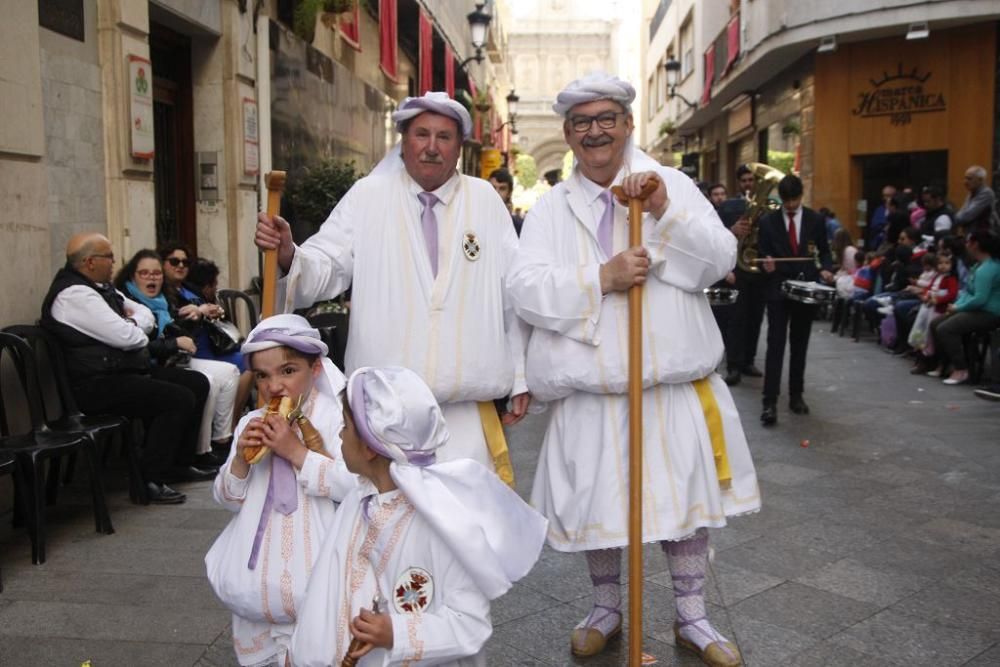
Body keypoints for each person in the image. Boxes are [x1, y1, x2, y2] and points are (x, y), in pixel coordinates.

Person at [507, 72, 759, 665]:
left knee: (682, 504)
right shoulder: (549, 210)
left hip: (670, 385)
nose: (595, 132)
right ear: (568, 135)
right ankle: (606, 609)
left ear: (626, 124)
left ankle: (692, 615)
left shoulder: (672, 184)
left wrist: (666, 211)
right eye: (582, 123)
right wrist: (601, 278)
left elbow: (719, 260)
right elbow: (524, 289)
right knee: (600, 506)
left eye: (606, 119)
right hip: (592, 389)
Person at [254, 92, 529, 483]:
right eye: (422, 134)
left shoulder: (484, 199)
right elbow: (325, 266)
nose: (432, 147)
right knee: (389, 527)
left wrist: (520, 375)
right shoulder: (369, 196)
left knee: (464, 529)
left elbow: (513, 294)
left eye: (444, 137)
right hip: (384, 411)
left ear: (458, 147)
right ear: (403, 140)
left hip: (465, 411)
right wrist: (287, 253)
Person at [289, 366, 546, 666]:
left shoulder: (441, 524)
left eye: (345, 427)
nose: (339, 435)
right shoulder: (360, 498)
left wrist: (397, 633)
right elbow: (325, 582)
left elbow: (471, 624)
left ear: (371, 449)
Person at [205, 314, 355, 667]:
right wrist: (241, 461)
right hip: (257, 575)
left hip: (322, 568)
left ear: (315, 368)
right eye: (263, 375)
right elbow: (228, 499)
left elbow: (357, 486)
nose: (275, 386)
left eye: (288, 371)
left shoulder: (339, 420)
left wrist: (297, 453)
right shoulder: (249, 421)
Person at [40, 233, 212, 503]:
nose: (114, 262)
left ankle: (178, 464)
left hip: (119, 371)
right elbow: (129, 337)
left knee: (196, 383)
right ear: (89, 261)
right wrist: (133, 325)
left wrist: (134, 322)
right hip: (93, 385)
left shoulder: (102, 288)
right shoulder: (75, 295)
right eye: (108, 256)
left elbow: (145, 316)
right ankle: (149, 480)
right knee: (176, 398)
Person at [115, 250, 240, 467]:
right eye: (144, 273)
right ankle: (186, 458)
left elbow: (176, 332)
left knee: (229, 372)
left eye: (156, 273)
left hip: (172, 358)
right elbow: (140, 342)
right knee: (205, 381)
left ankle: (215, 444)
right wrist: (175, 342)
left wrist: (192, 318)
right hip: (147, 365)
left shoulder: (164, 299)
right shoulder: (127, 302)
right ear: (132, 276)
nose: (152, 277)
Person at [758, 174, 834, 426]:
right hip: (778, 288)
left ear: (801, 196)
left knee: (800, 344)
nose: (790, 206)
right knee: (775, 344)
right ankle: (769, 401)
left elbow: (825, 251)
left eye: (794, 200)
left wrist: (826, 268)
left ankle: (796, 395)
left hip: (806, 287)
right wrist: (767, 264)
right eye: (786, 201)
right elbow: (761, 252)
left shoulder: (815, 219)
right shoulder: (768, 222)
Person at [160, 242, 254, 428]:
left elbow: (210, 307)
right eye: (174, 261)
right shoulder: (163, 292)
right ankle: (232, 423)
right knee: (246, 363)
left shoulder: (189, 288)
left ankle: (235, 419)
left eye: (185, 262)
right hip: (193, 348)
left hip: (213, 343)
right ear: (162, 263)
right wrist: (199, 313)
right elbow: (173, 325)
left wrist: (214, 310)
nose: (180, 266)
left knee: (253, 357)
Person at [926, 230, 1000, 385]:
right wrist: (957, 305)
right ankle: (944, 365)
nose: (966, 245)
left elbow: (980, 299)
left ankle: (961, 369)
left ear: (975, 245)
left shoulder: (989, 269)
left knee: (945, 329)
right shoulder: (979, 266)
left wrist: (958, 309)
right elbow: (968, 292)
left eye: (968, 242)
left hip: (989, 313)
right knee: (935, 323)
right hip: (975, 308)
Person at [717, 164, 766, 384]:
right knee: (736, 319)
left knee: (755, 317)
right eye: (744, 180)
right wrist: (732, 231)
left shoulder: (767, 207)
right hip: (736, 271)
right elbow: (714, 236)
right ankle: (734, 365)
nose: (748, 184)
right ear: (739, 183)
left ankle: (749, 360)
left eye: (751, 180)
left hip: (758, 270)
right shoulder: (728, 207)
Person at [954, 165, 999, 234]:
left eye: (969, 179)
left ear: (980, 180)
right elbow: (962, 213)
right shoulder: (972, 192)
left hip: (983, 237)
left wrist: (956, 219)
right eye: (965, 178)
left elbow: (965, 217)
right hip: (972, 236)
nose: (965, 182)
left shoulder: (986, 193)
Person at [488, 167, 522, 236]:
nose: (496, 192)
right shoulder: (475, 220)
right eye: (493, 187)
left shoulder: (519, 226)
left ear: (509, 193)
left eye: (502, 188)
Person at [867, 184, 896, 250]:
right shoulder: (879, 210)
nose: (885, 198)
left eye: (888, 195)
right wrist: (884, 227)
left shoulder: (898, 210)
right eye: (884, 195)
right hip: (878, 243)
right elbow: (874, 225)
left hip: (891, 244)